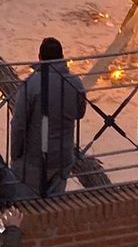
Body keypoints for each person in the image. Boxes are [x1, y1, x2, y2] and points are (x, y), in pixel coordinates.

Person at [9, 37, 86, 198]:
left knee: (27, 207)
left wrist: (16, 154)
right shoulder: (75, 82)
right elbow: (80, 113)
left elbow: (19, 124)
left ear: (40, 57)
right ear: (62, 56)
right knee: (53, 206)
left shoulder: (32, 84)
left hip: (35, 159)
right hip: (63, 157)